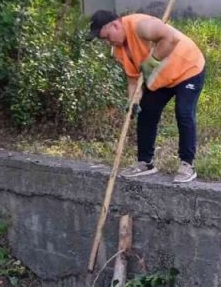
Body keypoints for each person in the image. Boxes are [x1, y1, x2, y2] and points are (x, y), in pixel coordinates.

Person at [88, 10, 206, 182]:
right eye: (103, 40)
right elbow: (133, 80)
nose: (107, 43)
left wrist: (152, 60)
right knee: (146, 112)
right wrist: (133, 101)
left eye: (107, 37)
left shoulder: (141, 26)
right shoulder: (119, 49)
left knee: (183, 112)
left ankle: (187, 164)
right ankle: (145, 162)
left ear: (114, 25)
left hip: (188, 68)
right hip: (160, 78)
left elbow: (171, 38)